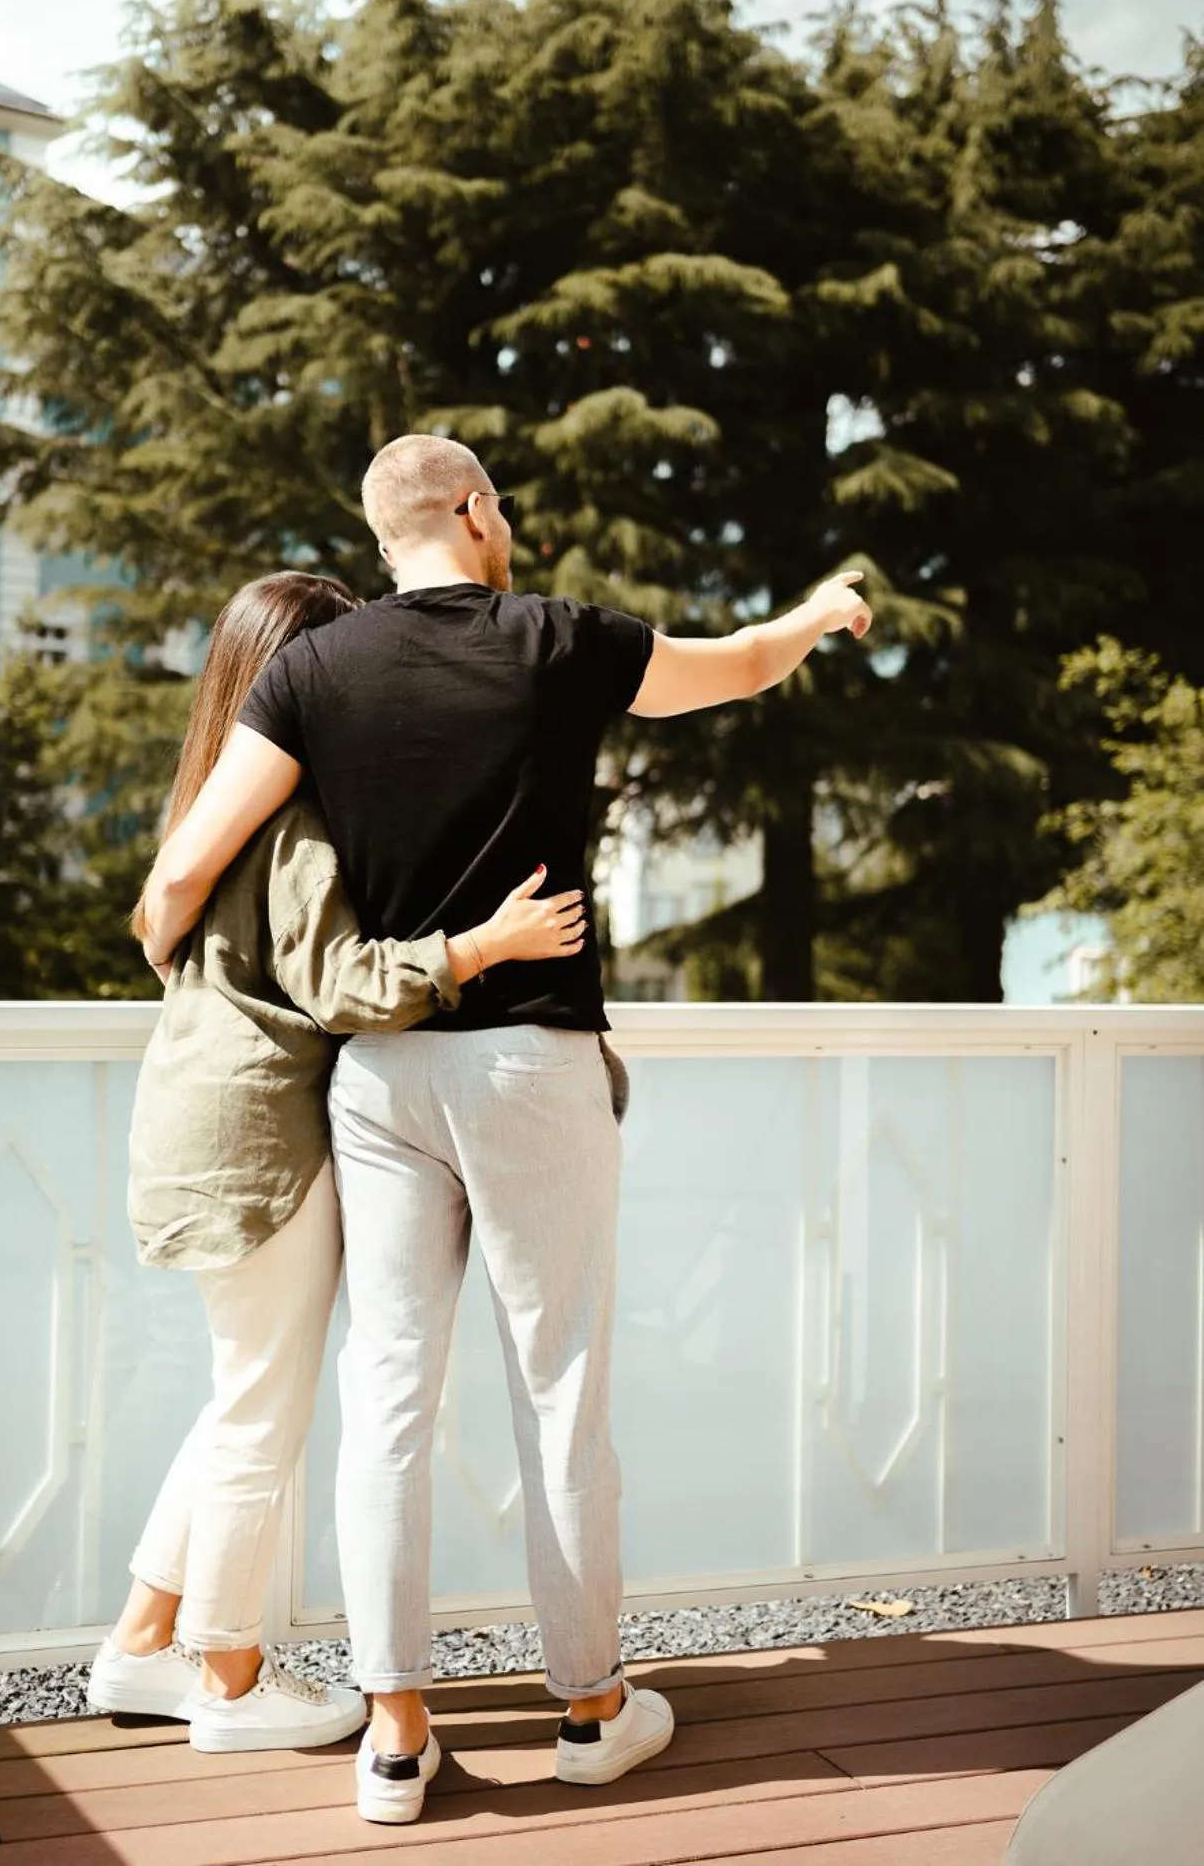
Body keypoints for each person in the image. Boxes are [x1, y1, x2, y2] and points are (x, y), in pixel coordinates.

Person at [135, 435, 872, 1823]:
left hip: (378, 1075)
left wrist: (179, 966)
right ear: (474, 512)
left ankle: (394, 1735)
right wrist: (816, 612)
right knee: (560, 1388)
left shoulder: (308, 671)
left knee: (386, 1398)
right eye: (501, 507)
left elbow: (182, 870)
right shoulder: (557, 639)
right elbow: (735, 666)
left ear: (382, 537)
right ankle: (590, 1708)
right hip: (530, 1059)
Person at [89, 570, 587, 1755]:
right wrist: (482, 945)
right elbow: (341, 984)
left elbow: (168, 921)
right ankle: (227, 1677)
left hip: (194, 1119)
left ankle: (142, 1640)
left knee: (243, 1391)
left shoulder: (211, 811)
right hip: (259, 1136)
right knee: (262, 1413)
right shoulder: (296, 822)